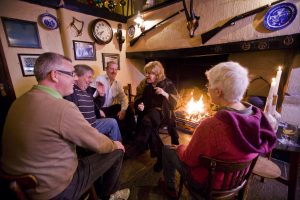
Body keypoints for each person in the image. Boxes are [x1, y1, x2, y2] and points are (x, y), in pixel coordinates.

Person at [1, 52, 129, 200]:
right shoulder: (62, 107)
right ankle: (108, 195)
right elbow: (99, 144)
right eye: (71, 74)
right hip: (56, 189)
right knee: (117, 151)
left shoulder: (18, 101)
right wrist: (115, 144)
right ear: (55, 75)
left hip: (22, 184)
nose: (74, 78)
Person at [160, 61, 277, 199]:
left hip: (208, 183)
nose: (207, 88)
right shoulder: (259, 119)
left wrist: (180, 148)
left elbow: (189, 160)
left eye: (208, 85)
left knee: (168, 149)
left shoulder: (211, 126)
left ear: (218, 91)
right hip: (237, 179)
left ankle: (170, 187)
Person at [127, 61, 179, 172]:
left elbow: (176, 102)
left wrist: (164, 93)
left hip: (165, 114)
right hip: (149, 113)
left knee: (147, 121)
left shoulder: (167, 83)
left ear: (157, 74)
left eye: (149, 73)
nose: (146, 75)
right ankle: (161, 157)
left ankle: (138, 144)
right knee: (148, 123)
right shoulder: (145, 84)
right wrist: (140, 105)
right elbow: (139, 98)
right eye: (146, 73)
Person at [64, 64, 122, 142]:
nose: (91, 80)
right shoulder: (71, 91)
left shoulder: (87, 90)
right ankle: (116, 151)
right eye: (89, 77)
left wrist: (101, 95)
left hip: (93, 124)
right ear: (76, 77)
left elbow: (95, 105)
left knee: (112, 122)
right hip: (83, 128)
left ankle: (118, 149)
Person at [94, 61, 136, 143]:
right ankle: (118, 143)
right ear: (106, 69)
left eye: (116, 69)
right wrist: (97, 110)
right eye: (111, 69)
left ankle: (132, 136)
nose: (114, 71)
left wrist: (123, 110)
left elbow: (124, 98)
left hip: (108, 108)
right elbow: (90, 98)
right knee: (115, 118)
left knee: (128, 109)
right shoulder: (99, 80)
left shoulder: (117, 83)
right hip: (99, 109)